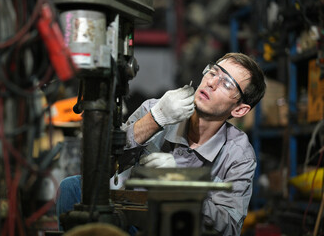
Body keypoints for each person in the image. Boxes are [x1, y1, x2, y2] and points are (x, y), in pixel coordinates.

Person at [56, 52, 266, 235]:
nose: (211, 82)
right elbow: (102, 166)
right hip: (133, 222)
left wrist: (182, 186)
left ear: (239, 110)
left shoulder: (238, 154)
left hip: (180, 229)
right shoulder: (157, 109)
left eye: (226, 83)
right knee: (73, 187)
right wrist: (155, 119)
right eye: (213, 72)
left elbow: (229, 227)